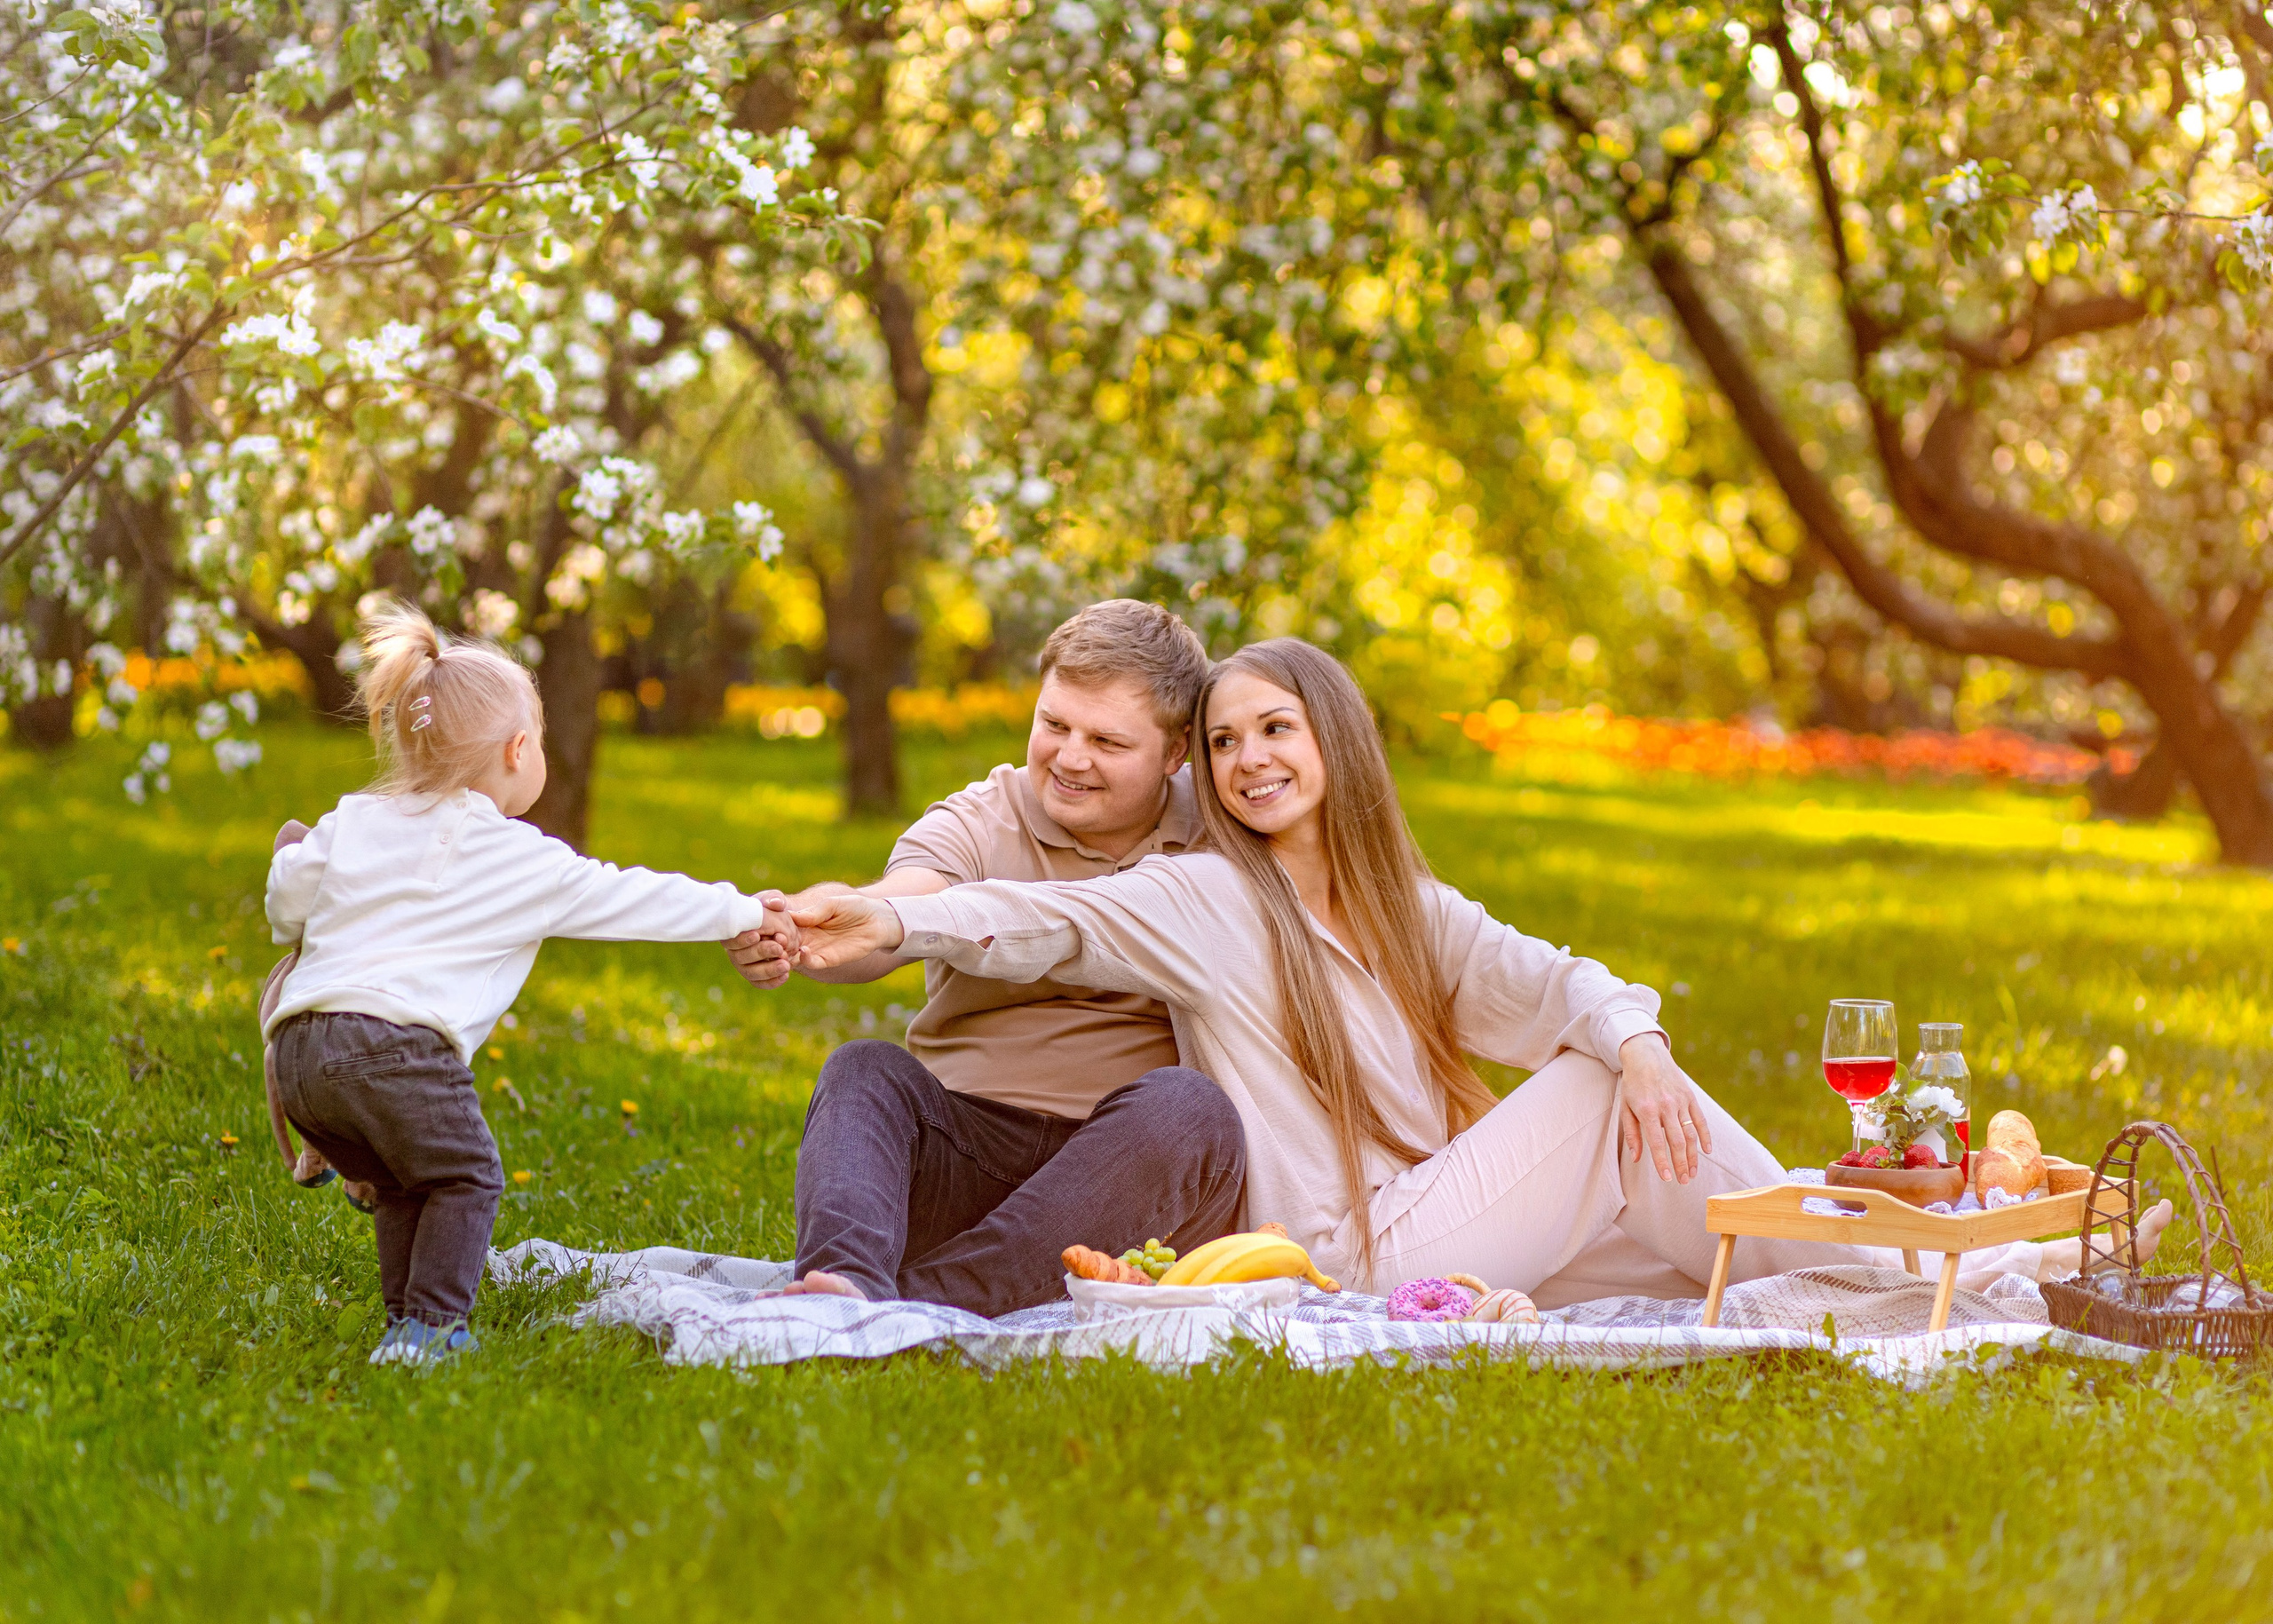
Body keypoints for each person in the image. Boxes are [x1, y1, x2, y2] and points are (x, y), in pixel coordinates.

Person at [780, 638, 2172, 1301]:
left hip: (1441, 1214)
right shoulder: (1206, 897)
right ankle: (1959, 1264)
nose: (1250, 759)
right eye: (1227, 744)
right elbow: (1038, 922)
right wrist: (891, 925)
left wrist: (1640, 1039)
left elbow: (1560, 979)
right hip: (1345, 1249)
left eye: (1277, 730)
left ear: (1334, 741)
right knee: (1594, 1095)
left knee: (1688, 1247)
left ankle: (1980, 1274)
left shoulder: (1412, 912)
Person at [264, 600, 791, 1364]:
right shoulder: (517, 855)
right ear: (518, 751)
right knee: (467, 1175)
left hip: (299, 1057)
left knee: (412, 1180)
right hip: (398, 1050)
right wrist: (743, 911)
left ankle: (405, 1324)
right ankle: (434, 1330)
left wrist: (294, 861)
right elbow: (634, 897)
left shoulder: (352, 819)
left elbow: (286, 901)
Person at [725, 600, 1246, 1315]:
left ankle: (908, 1306)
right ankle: (844, 1282)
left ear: (1177, 750)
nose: (1070, 758)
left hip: (1123, 1175)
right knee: (863, 1068)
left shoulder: (1223, 832)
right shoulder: (982, 814)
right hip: (965, 1147)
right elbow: (900, 902)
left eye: (1107, 741)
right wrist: (812, 928)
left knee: (1192, 1109)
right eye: (1054, 724)